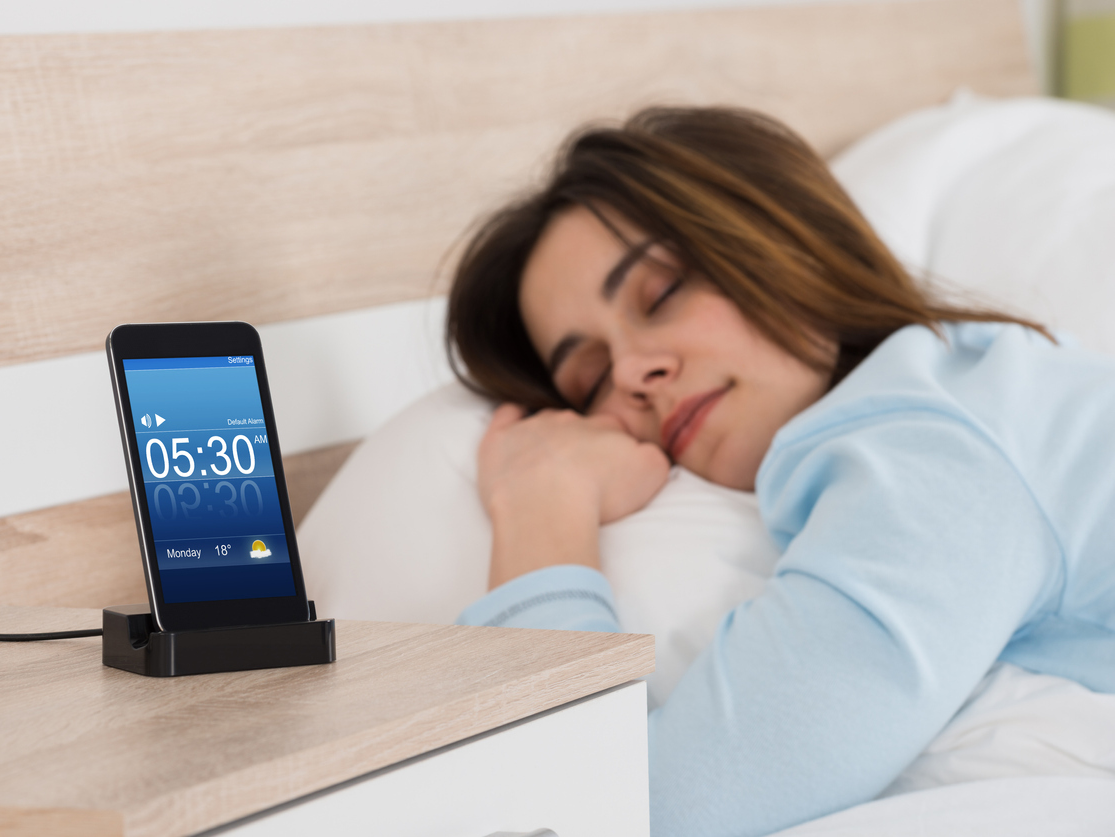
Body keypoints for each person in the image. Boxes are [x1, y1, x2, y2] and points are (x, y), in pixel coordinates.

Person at [444, 107, 1115, 836]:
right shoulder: (972, 381)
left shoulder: (937, 449)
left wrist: (541, 512)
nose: (636, 371)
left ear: (786, 237)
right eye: (591, 378)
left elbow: (629, 810)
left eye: (662, 294)